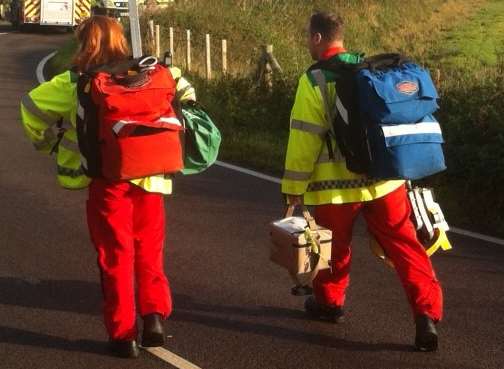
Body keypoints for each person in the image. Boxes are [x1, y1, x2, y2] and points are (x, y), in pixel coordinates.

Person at [20, 15, 195, 358]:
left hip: (108, 182)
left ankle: (123, 335)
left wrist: (48, 142)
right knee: (149, 250)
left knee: (115, 255)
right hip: (152, 178)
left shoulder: (78, 82)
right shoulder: (151, 71)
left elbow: (29, 110)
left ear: (86, 43)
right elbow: (186, 94)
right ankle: (155, 316)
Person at [281, 11, 443, 352]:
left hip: (334, 189)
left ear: (318, 38)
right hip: (384, 180)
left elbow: (304, 139)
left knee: (334, 250)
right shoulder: (366, 70)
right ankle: (426, 314)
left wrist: (292, 189)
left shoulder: (313, 80)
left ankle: (330, 304)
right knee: (405, 246)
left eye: (308, 37)